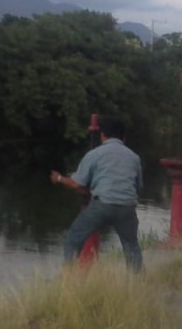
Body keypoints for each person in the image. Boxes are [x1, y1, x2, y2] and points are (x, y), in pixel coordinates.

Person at [50, 116, 144, 272]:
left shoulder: (94, 154)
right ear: (123, 137)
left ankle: (69, 278)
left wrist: (59, 178)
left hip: (102, 205)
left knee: (73, 239)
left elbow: (76, 184)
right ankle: (137, 282)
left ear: (102, 135)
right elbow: (138, 186)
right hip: (127, 206)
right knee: (131, 246)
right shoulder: (134, 157)